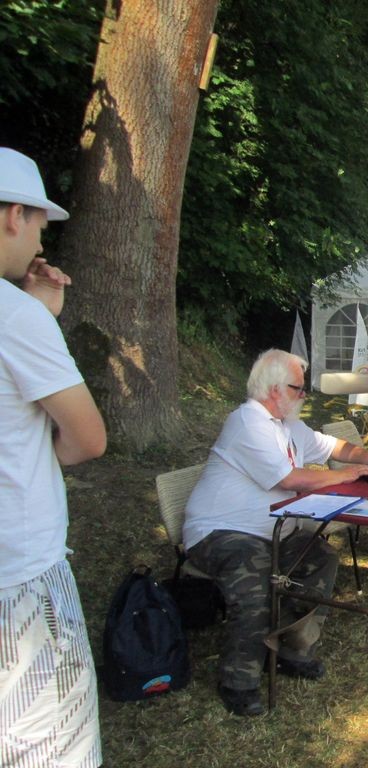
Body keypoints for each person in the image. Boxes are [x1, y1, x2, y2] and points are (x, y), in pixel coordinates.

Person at [183, 349, 368, 716]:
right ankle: (238, 681)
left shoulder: (286, 424)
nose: (304, 395)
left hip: (270, 532)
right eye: (298, 388)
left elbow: (331, 446)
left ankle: (291, 649)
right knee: (255, 579)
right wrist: (343, 475)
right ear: (274, 389)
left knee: (321, 559)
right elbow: (290, 479)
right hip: (220, 531)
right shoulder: (247, 422)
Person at [0, 148, 107, 766]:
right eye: (40, 224)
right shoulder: (16, 317)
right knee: (49, 746)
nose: (41, 241)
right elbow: (87, 439)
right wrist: (38, 317)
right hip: (19, 573)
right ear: (14, 215)